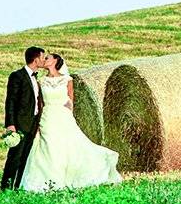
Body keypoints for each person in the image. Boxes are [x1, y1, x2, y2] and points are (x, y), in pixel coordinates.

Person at [19, 53, 123, 192]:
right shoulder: (41, 81)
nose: (44, 59)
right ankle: (48, 181)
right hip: (47, 117)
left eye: (47, 58)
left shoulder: (67, 80)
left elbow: (70, 102)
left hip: (62, 116)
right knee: (48, 147)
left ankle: (66, 178)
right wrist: (38, 124)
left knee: (65, 147)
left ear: (55, 61)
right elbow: (41, 104)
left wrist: (69, 119)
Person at [0, 46, 46, 191]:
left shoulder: (35, 77)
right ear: (35, 59)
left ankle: (17, 187)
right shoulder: (17, 76)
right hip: (20, 124)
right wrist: (11, 124)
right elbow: (11, 101)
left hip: (32, 124)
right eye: (42, 57)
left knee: (25, 159)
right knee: (15, 158)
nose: (44, 60)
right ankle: (6, 189)